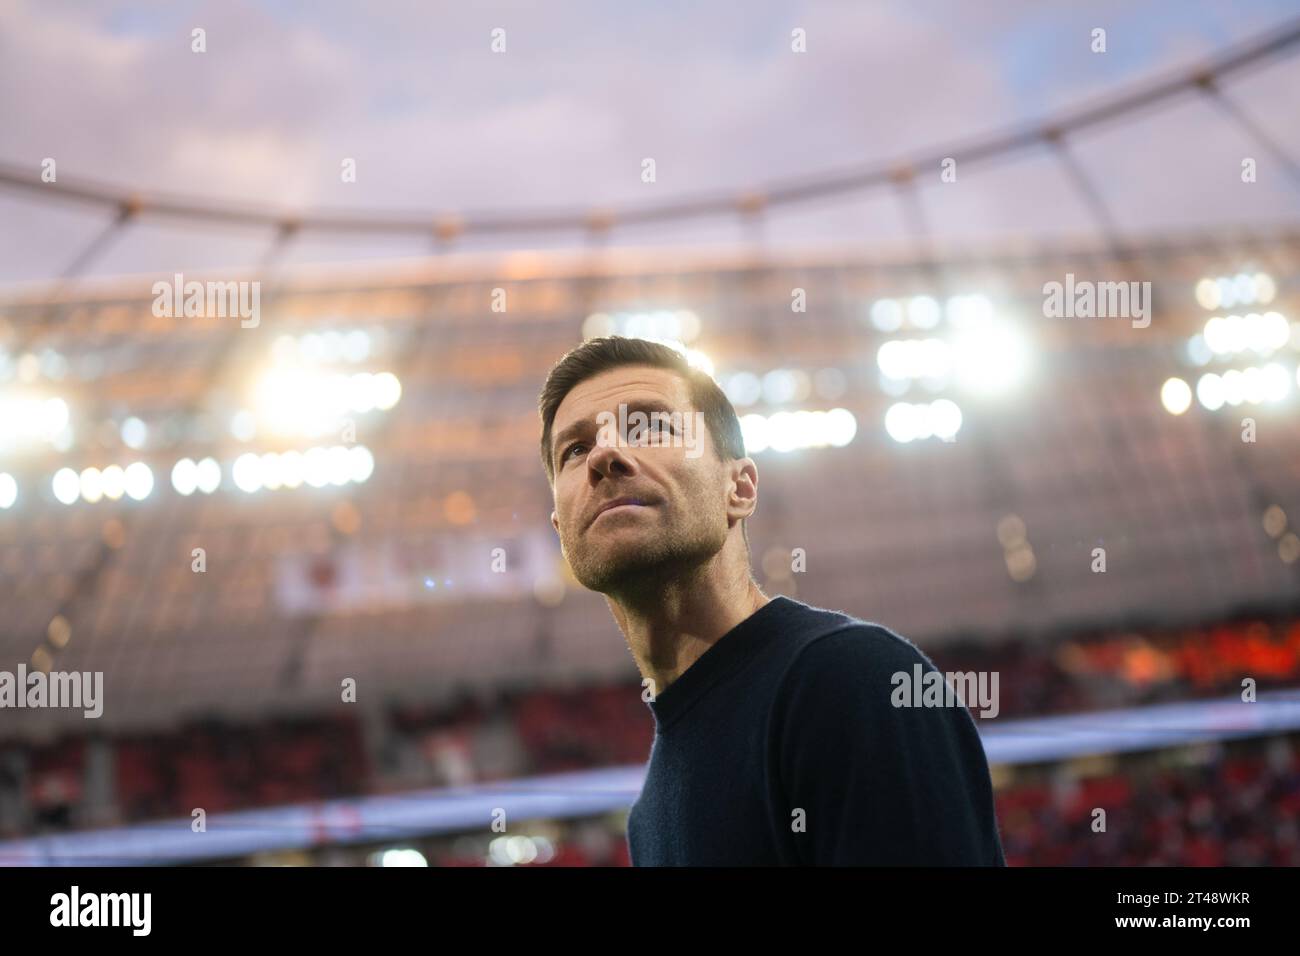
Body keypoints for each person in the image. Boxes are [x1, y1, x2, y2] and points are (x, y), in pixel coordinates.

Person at [537, 335, 1005, 865]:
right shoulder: (648, 816)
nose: (605, 453)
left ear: (738, 488)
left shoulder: (854, 679)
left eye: (650, 426)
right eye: (575, 450)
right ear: (561, 528)